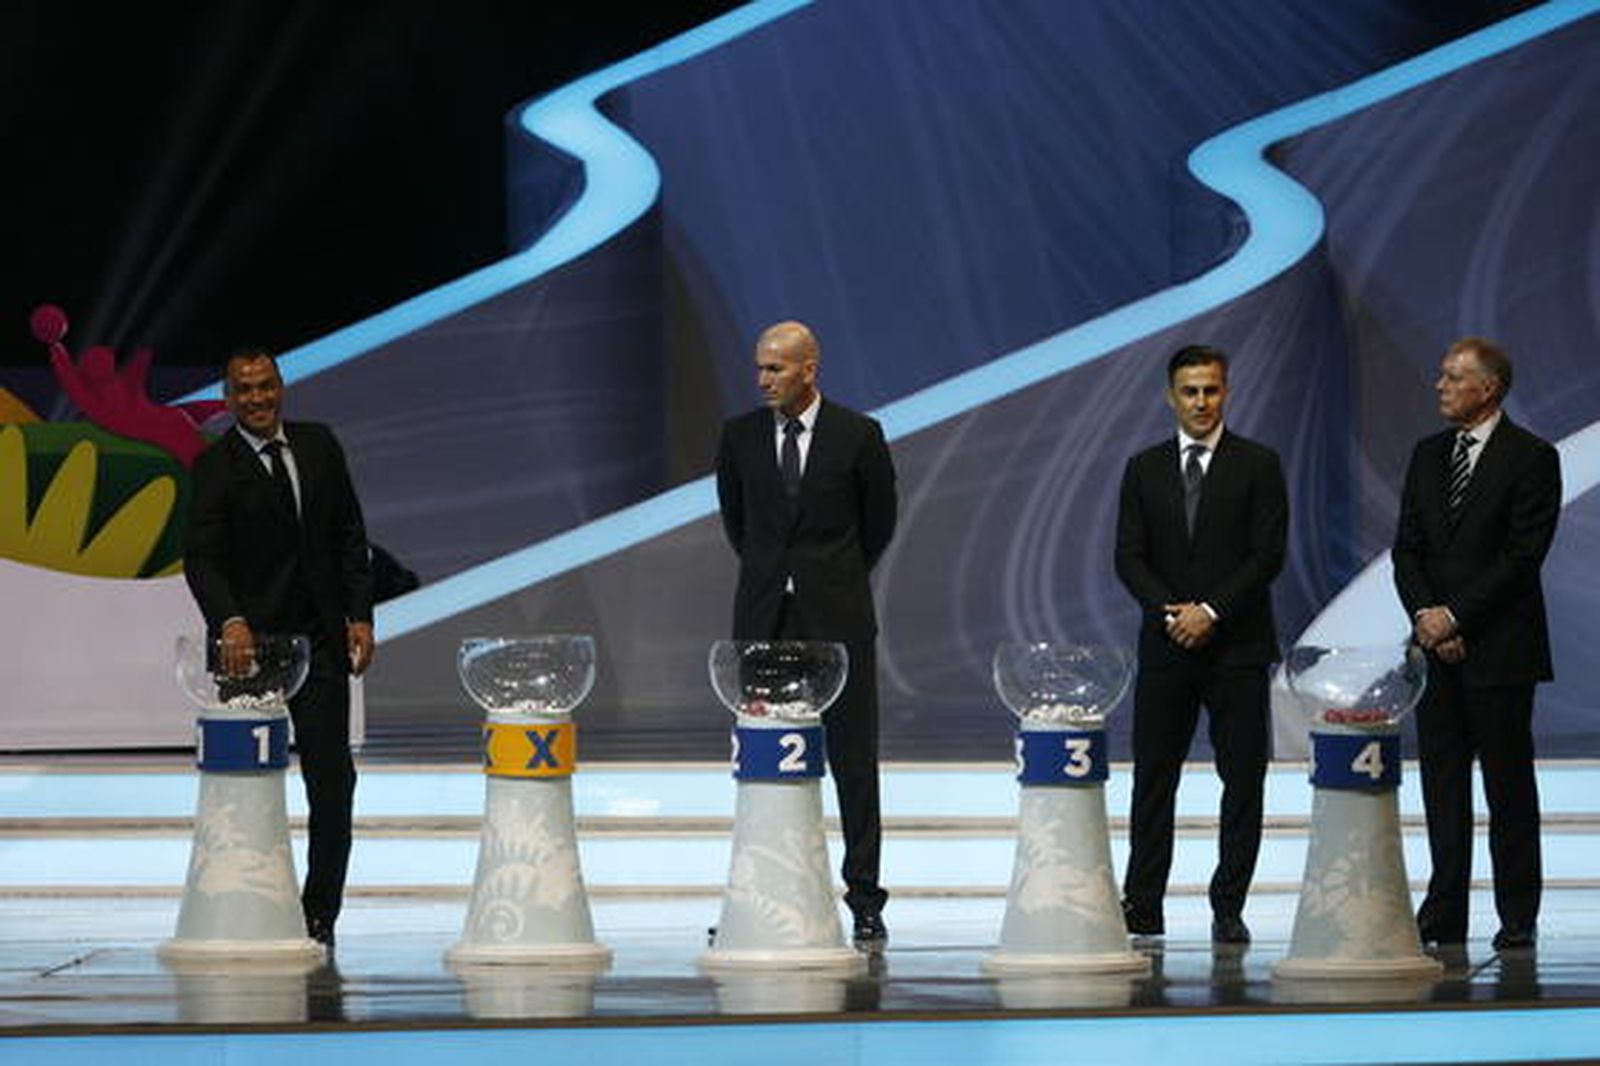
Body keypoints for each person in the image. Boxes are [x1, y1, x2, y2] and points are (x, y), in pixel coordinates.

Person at [184, 348, 375, 949]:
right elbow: (202, 560)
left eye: (265, 386)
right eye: (244, 390)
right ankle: (245, 908)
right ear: (228, 398)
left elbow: (349, 536)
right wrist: (231, 621)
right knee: (246, 786)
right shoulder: (214, 466)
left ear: (280, 386)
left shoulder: (319, 446)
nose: (257, 398)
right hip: (250, 650)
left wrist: (360, 615)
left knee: (332, 781)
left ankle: (319, 916)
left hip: (319, 643)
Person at [715, 320, 898, 947]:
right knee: (763, 760)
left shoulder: (858, 435)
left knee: (853, 761)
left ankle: (865, 899)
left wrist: (828, 577)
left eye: (776, 368)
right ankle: (761, 894)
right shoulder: (739, 436)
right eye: (760, 368)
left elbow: (878, 524)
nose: (763, 379)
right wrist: (778, 577)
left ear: (809, 369)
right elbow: (739, 526)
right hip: (764, 619)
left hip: (839, 621)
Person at [1114, 344, 1287, 945]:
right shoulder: (1143, 468)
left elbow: (1267, 555)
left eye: (1211, 389)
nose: (1201, 401)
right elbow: (1128, 556)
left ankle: (1228, 906)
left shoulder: (1259, 464)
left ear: (1226, 392)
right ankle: (1142, 904)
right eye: (1190, 391)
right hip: (1167, 646)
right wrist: (1173, 613)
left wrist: (1210, 611)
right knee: (1153, 779)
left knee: (1242, 780)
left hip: (1237, 647)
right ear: (1171, 396)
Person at [1393, 337, 1560, 952]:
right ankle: (1444, 911)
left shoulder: (1532, 457)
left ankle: (1517, 914)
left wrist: (1456, 617)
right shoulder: (1427, 454)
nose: (1439, 385)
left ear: (1487, 388)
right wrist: (1427, 618)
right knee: (1442, 786)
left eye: (1452, 377)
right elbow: (1406, 549)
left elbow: (1521, 556)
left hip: (1500, 650)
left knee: (1508, 786)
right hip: (1436, 653)